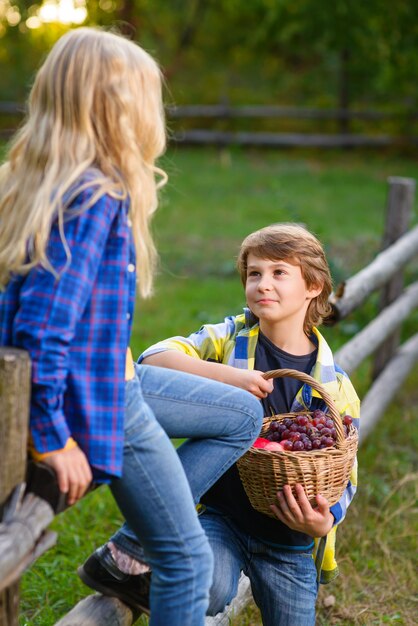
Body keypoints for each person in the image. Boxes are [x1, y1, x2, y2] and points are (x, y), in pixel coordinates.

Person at [0, 28, 265, 626]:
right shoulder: (94, 195)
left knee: (240, 419)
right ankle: (132, 555)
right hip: (101, 400)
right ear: (115, 108)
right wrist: (50, 435)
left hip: (112, 384)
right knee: (186, 559)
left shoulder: (41, 184)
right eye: (146, 96)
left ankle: (129, 553)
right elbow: (39, 330)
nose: (155, 113)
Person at [83, 223, 360, 625]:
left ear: (313, 286)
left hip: (290, 542)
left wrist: (324, 520)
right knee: (200, 585)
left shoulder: (334, 386)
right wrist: (230, 378)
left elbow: (346, 475)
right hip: (222, 521)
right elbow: (152, 359)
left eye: (279, 272)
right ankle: (136, 559)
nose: (263, 283)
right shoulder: (230, 337)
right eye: (254, 273)